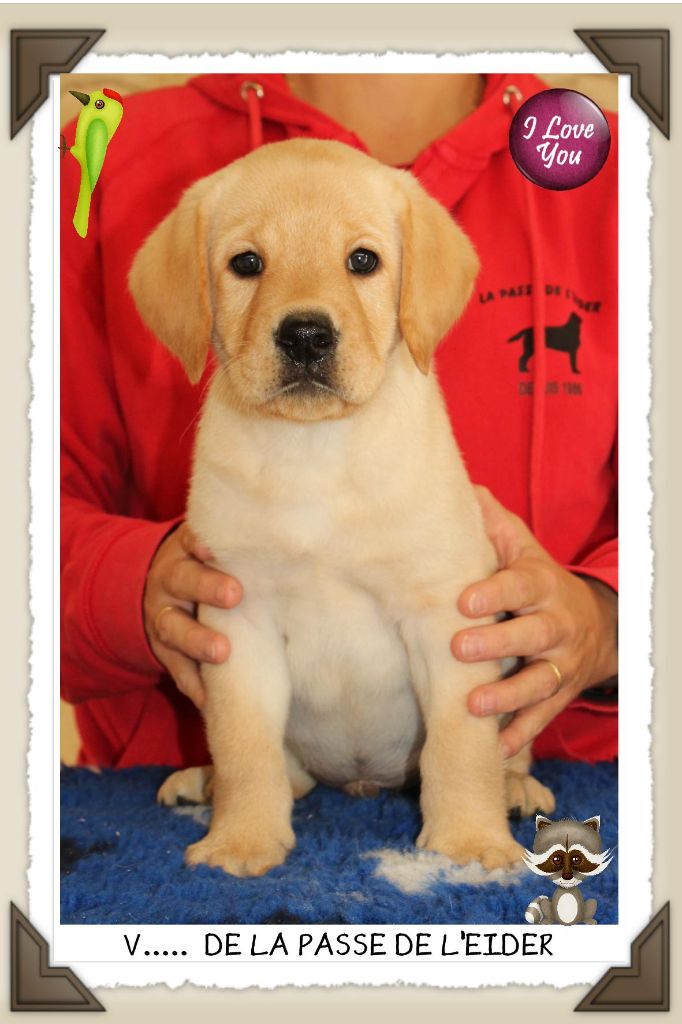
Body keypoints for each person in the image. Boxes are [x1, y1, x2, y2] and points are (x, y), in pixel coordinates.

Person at [60, 72, 618, 769]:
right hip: (153, 788)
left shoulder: (619, 172)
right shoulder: (104, 154)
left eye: (362, 261)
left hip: (583, 783)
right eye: (247, 264)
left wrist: (611, 614)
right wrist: (128, 586)